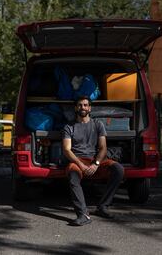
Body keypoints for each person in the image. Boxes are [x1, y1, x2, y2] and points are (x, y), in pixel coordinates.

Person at [62, 96, 124, 226]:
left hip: (95, 161)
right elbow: (67, 150)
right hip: (77, 161)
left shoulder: (98, 124)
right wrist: (81, 165)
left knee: (118, 169)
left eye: (85, 105)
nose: (82, 107)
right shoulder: (69, 126)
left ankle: (103, 207)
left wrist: (96, 164)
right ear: (75, 108)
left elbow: (103, 148)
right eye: (79, 105)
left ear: (89, 108)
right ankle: (83, 214)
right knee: (73, 174)